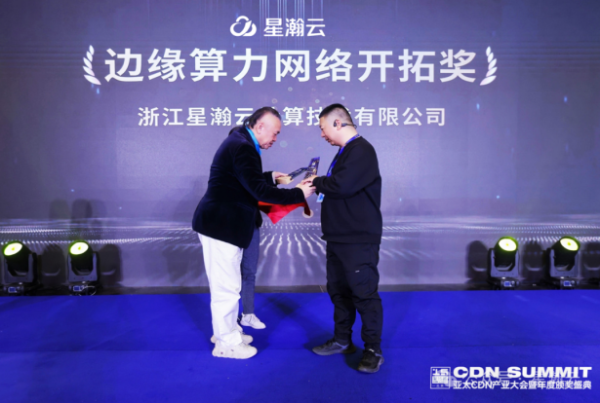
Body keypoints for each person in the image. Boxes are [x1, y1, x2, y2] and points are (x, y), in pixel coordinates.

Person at [192, 107, 315, 359]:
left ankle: (227, 332)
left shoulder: (240, 141)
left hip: (223, 225)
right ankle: (226, 343)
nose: (276, 139)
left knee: (227, 285)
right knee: (226, 288)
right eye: (275, 133)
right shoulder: (243, 146)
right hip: (221, 226)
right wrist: (298, 194)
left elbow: (242, 180)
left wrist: (269, 177)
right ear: (259, 127)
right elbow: (258, 191)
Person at [303, 103, 384, 373]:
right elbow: (338, 188)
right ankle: (342, 340)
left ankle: (373, 349)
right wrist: (319, 185)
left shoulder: (361, 150)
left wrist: (316, 182)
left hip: (357, 238)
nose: (322, 134)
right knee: (339, 292)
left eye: (323, 128)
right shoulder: (345, 152)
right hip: (338, 237)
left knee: (364, 293)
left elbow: (342, 186)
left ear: (338, 123)